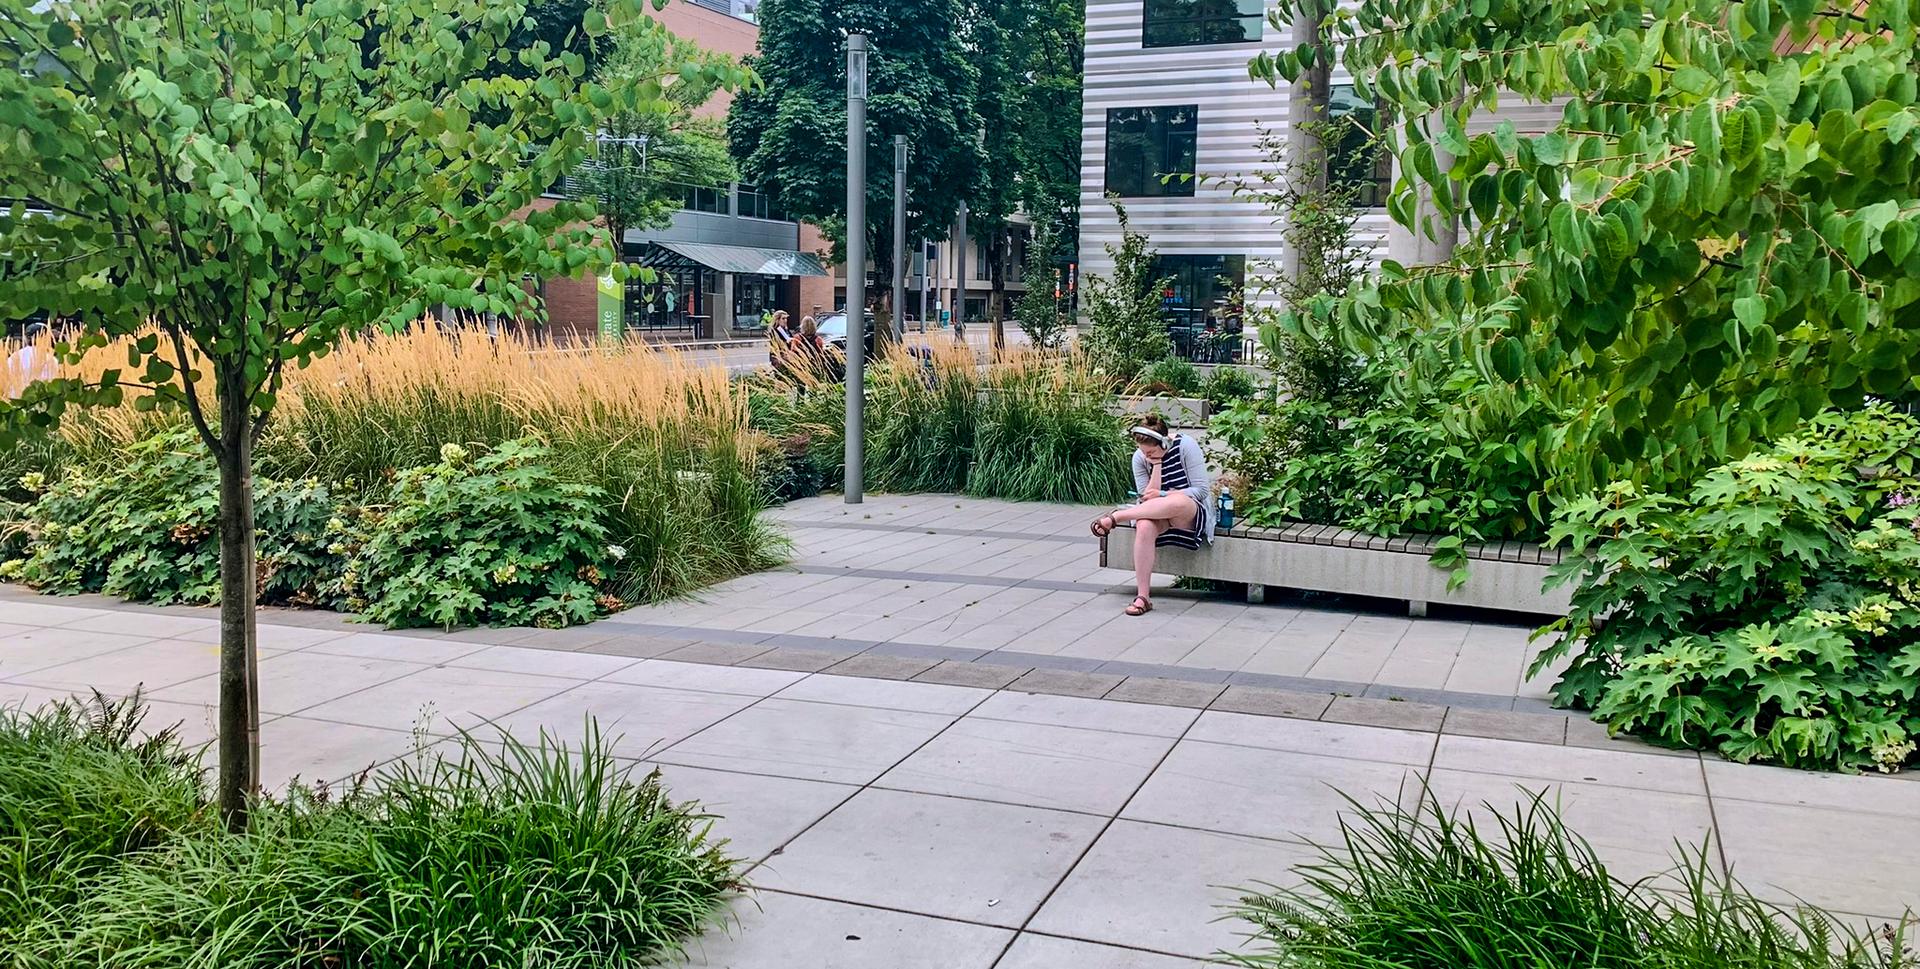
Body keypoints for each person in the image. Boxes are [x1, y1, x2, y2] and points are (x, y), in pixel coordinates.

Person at [1089, 415, 1215, 616]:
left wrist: (1165, 494)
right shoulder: (1141, 458)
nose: (1146, 455)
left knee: (1177, 502)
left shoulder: (1186, 446)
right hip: (1157, 514)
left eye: (1151, 451)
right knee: (1145, 525)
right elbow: (1147, 500)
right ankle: (1143, 597)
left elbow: (1201, 491)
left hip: (1188, 513)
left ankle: (1117, 517)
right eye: (1143, 451)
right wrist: (1157, 465)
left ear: (1165, 442)